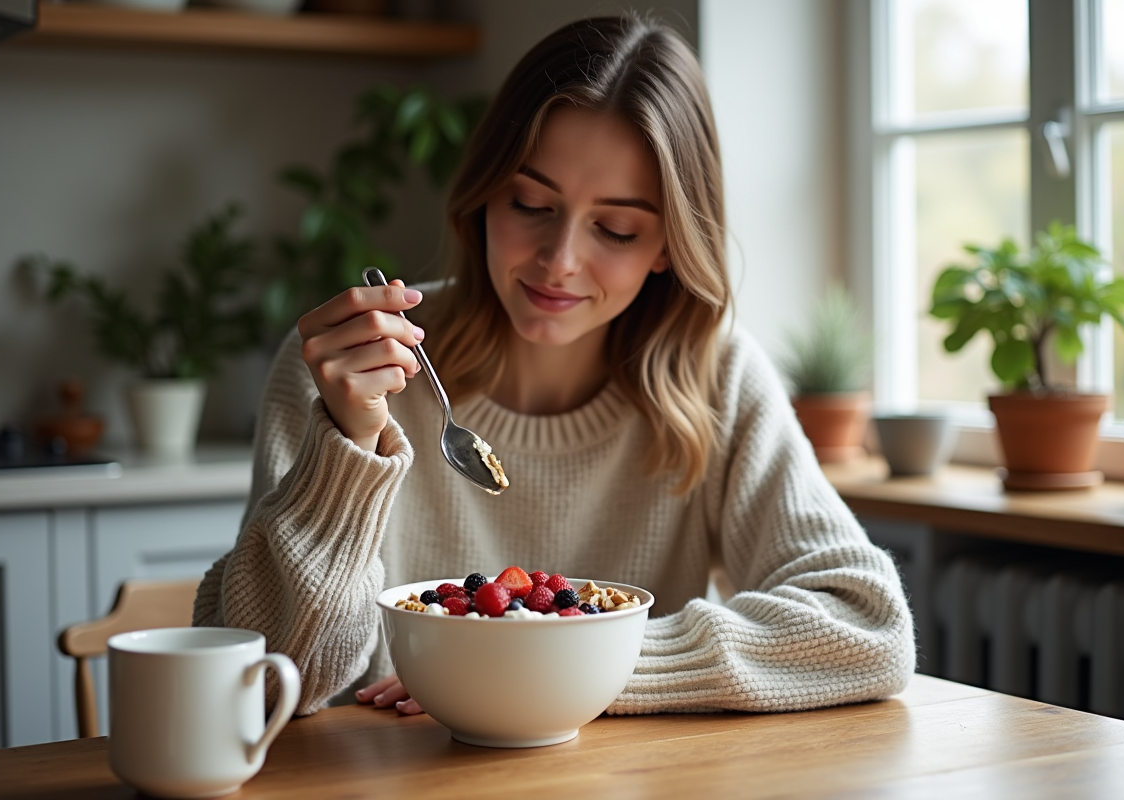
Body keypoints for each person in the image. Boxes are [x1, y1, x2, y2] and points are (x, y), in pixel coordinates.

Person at [194, 14, 916, 718]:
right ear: (483, 196)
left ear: (668, 244)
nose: (560, 260)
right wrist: (349, 448)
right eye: (531, 202)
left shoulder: (716, 375)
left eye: (616, 228)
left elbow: (867, 626)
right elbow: (270, 678)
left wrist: (543, 663)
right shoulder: (353, 373)